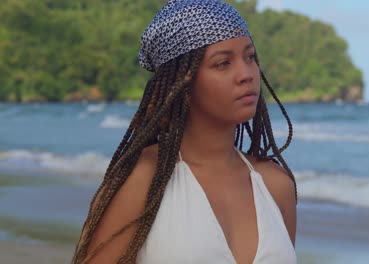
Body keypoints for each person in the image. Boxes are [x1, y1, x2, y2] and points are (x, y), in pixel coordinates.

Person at [72, 0, 297, 263]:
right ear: (183, 84)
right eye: (223, 63)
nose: (246, 73)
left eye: (250, 57)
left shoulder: (275, 185)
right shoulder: (141, 181)